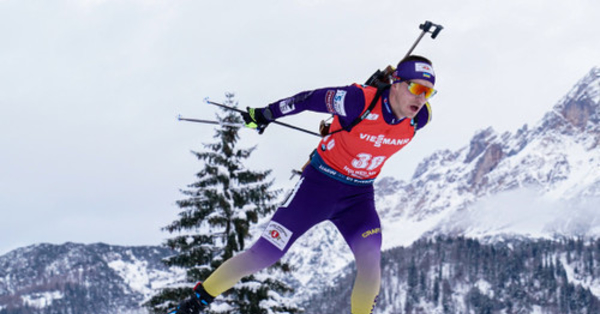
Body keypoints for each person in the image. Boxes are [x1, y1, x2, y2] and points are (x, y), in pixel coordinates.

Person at [172, 55, 437, 314]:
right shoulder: (357, 101)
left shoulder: (420, 118)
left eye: (428, 92)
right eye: (415, 88)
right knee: (264, 254)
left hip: (359, 198)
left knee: (370, 263)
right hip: (317, 188)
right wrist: (267, 113)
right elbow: (308, 99)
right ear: (396, 83)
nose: (421, 97)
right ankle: (194, 303)